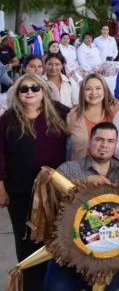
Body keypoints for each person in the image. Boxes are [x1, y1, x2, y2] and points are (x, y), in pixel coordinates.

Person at [44, 122, 119, 291]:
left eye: (110, 141)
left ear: (115, 145)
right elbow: (50, 199)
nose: (104, 145)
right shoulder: (68, 169)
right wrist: (82, 184)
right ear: (90, 141)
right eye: (99, 139)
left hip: (108, 251)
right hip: (69, 249)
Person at [0, 74, 67, 291]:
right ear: (17, 93)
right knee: (25, 241)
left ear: (44, 90)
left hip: (55, 191)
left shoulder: (59, 112)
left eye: (35, 87)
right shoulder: (8, 119)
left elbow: (86, 114)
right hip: (20, 192)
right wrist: (0, 186)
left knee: (54, 239)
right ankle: (30, 285)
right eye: (24, 88)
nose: (30, 92)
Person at [66, 74, 117, 161]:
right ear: (82, 92)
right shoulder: (73, 115)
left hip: (111, 167)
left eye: (98, 88)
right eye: (88, 89)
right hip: (80, 167)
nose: (93, 92)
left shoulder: (116, 111)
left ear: (104, 90)